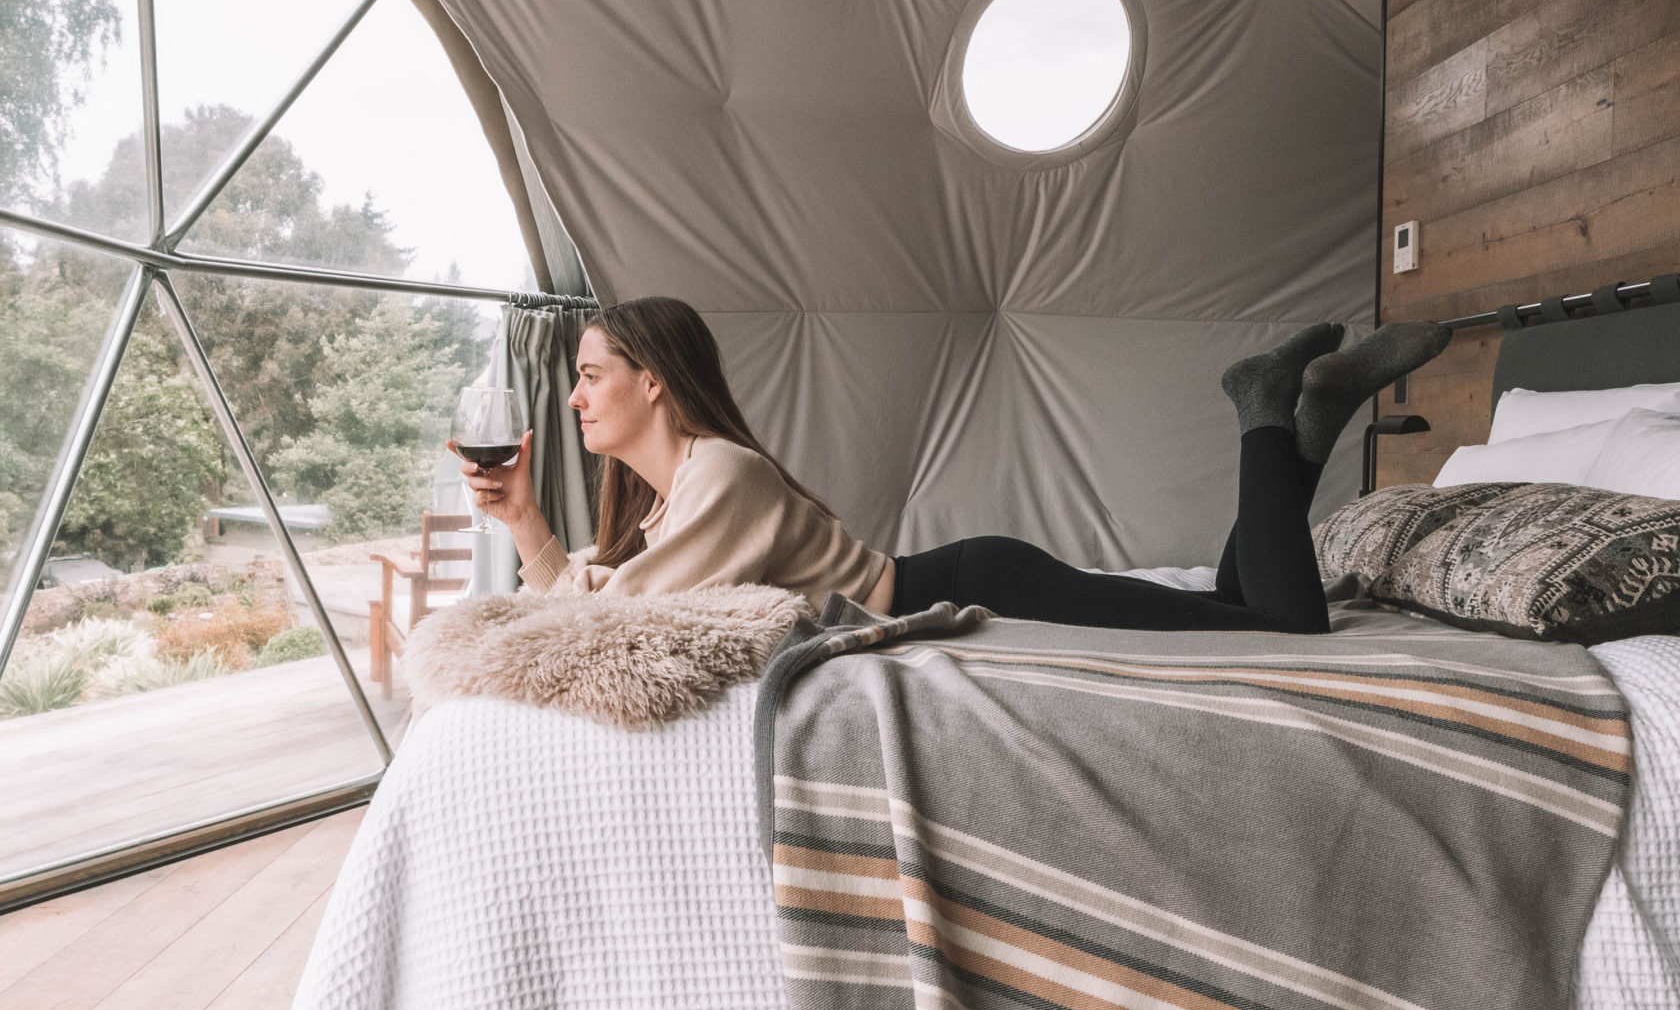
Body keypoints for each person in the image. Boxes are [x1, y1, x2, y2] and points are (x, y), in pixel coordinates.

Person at [453, 297, 1450, 634]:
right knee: (1239, 611)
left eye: (589, 377)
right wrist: (526, 529)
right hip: (965, 578)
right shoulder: (684, 496)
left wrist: (535, 539)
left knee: (1279, 629)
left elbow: (609, 619)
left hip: (979, 587)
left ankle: (1265, 408)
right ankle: (1308, 416)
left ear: (654, 382)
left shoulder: (719, 478)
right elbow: (611, 594)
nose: (575, 398)